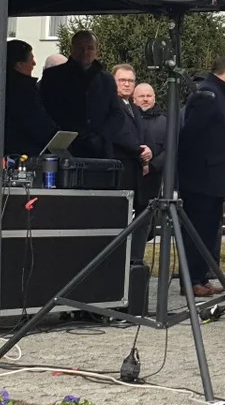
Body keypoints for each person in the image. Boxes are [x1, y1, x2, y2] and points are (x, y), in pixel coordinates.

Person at [177, 54, 225, 297]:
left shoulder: (218, 94)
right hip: (201, 177)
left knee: (207, 230)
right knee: (196, 229)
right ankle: (191, 279)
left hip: (213, 177)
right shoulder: (207, 94)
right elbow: (191, 135)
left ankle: (201, 276)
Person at [40, 31, 126, 159]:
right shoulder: (53, 76)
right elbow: (49, 111)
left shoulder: (107, 79)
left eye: (90, 48)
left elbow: (117, 114)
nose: (85, 52)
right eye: (80, 47)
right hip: (65, 151)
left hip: (100, 152)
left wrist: (101, 137)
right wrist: (79, 136)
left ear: (97, 51)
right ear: (72, 49)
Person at [111, 64, 153, 262]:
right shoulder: (111, 104)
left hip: (137, 171)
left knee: (142, 216)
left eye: (130, 81)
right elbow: (119, 133)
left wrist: (148, 151)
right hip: (121, 169)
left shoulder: (134, 108)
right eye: (122, 80)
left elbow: (142, 134)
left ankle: (135, 258)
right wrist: (139, 149)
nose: (127, 84)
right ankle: (120, 260)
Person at [3, 40, 57, 157]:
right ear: (19, 64)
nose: (34, 63)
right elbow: (37, 124)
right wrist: (56, 137)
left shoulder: (7, 86)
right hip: (24, 156)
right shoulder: (22, 90)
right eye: (31, 59)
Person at [133, 82, 167, 254]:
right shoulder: (128, 118)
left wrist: (152, 164)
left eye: (149, 96)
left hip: (152, 181)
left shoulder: (165, 122)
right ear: (134, 98)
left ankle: (137, 259)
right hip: (130, 177)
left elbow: (171, 150)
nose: (145, 99)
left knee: (146, 226)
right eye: (141, 96)